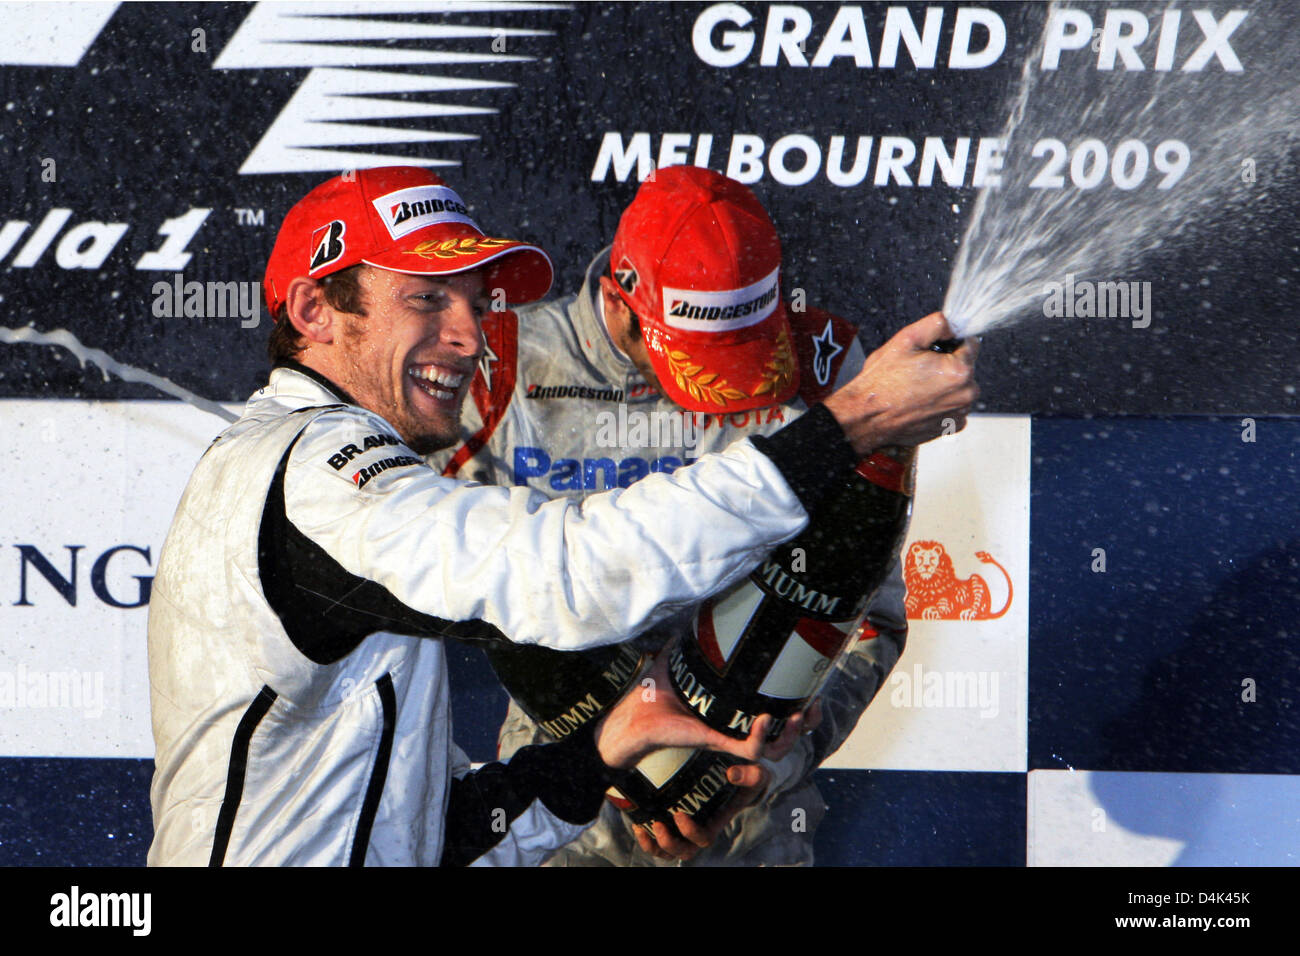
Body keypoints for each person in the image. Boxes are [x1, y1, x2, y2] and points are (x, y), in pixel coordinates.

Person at [146, 166, 978, 867]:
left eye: (474, 302)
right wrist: (845, 428)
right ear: (313, 311)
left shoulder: (331, 475)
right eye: (428, 300)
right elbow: (565, 576)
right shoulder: (314, 472)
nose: (471, 335)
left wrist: (607, 748)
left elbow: (430, 832)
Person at [432, 165, 965, 865]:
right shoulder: (497, 365)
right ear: (621, 300)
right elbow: (420, 577)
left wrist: (777, 764)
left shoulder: (821, 369)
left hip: (750, 824)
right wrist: (608, 768)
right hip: (560, 815)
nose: (726, 386)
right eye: (704, 359)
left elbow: (870, 619)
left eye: (748, 350)